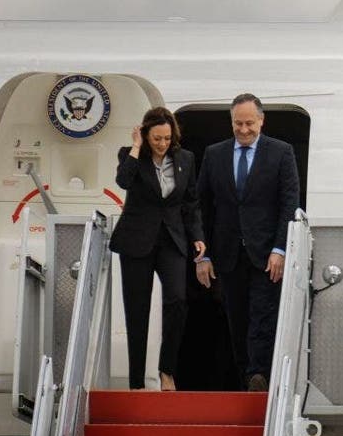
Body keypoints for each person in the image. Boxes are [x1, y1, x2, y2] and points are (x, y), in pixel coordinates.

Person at [196, 93, 300, 391]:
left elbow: (289, 203)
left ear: (262, 120)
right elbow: (201, 206)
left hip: (267, 252)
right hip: (227, 253)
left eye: (249, 123)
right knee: (237, 318)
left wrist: (281, 248)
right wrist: (202, 254)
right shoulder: (215, 154)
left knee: (262, 315)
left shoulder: (281, 152)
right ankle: (247, 378)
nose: (243, 130)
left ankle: (259, 375)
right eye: (238, 123)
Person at [109, 107, 206, 391]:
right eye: (156, 139)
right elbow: (123, 182)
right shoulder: (130, 154)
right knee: (137, 311)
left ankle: (167, 370)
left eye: (166, 138)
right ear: (145, 134)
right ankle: (136, 381)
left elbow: (190, 202)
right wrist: (138, 147)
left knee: (177, 301)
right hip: (136, 241)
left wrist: (197, 235)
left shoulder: (185, 159)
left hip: (172, 240)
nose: (162, 144)